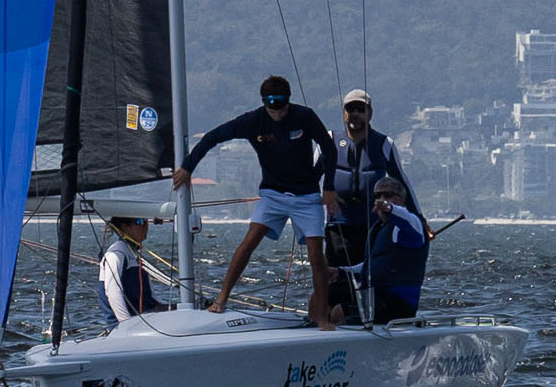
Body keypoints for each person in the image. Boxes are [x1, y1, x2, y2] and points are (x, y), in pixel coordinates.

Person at [171, 74, 340, 330]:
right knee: (250, 240)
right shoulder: (253, 121)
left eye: (281, 107)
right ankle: (221, 299)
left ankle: (322, 318)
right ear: (264, 103)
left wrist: (327, 186)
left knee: (316, 255)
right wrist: (187, 167)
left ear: (288, 100)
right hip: (272, 194)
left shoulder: (304, 116)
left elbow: (329, 148)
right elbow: (212, 137)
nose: (278, 113)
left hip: (306, 197)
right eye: (272, 107)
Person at [326, 88, 423, 318]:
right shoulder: (329, 141)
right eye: (350, 109)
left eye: (361, 109)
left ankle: (359, 317)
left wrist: (419, 218)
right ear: (344, 113)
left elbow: (401, 182)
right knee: (335, 282)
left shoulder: (384, 144)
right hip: (338, 226)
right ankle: (330, 320)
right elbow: (309, 178)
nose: (355, 113)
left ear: (370, 113)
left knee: (369, 278)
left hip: (372, 226)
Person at [366, 177, 428, 322]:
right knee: (330, 298)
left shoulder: (412, 223)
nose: (381, 199)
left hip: (398, 303)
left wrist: (389, 208)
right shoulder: (379, 228)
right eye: (377, 196)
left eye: (388, 195)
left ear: (401, 199)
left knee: (339, 312)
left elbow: (404, 217)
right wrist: (342, 271)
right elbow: (373, 265)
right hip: (376, 296)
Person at [98, 216, 167, 326]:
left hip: (146, 318)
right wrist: (126, 325)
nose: (145, 226)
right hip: (127, 325)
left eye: (146, 221)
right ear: (125, 227)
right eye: (140, 222)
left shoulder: (133, 252)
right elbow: (113, 293)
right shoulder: (116, 253)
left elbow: (151, 298)